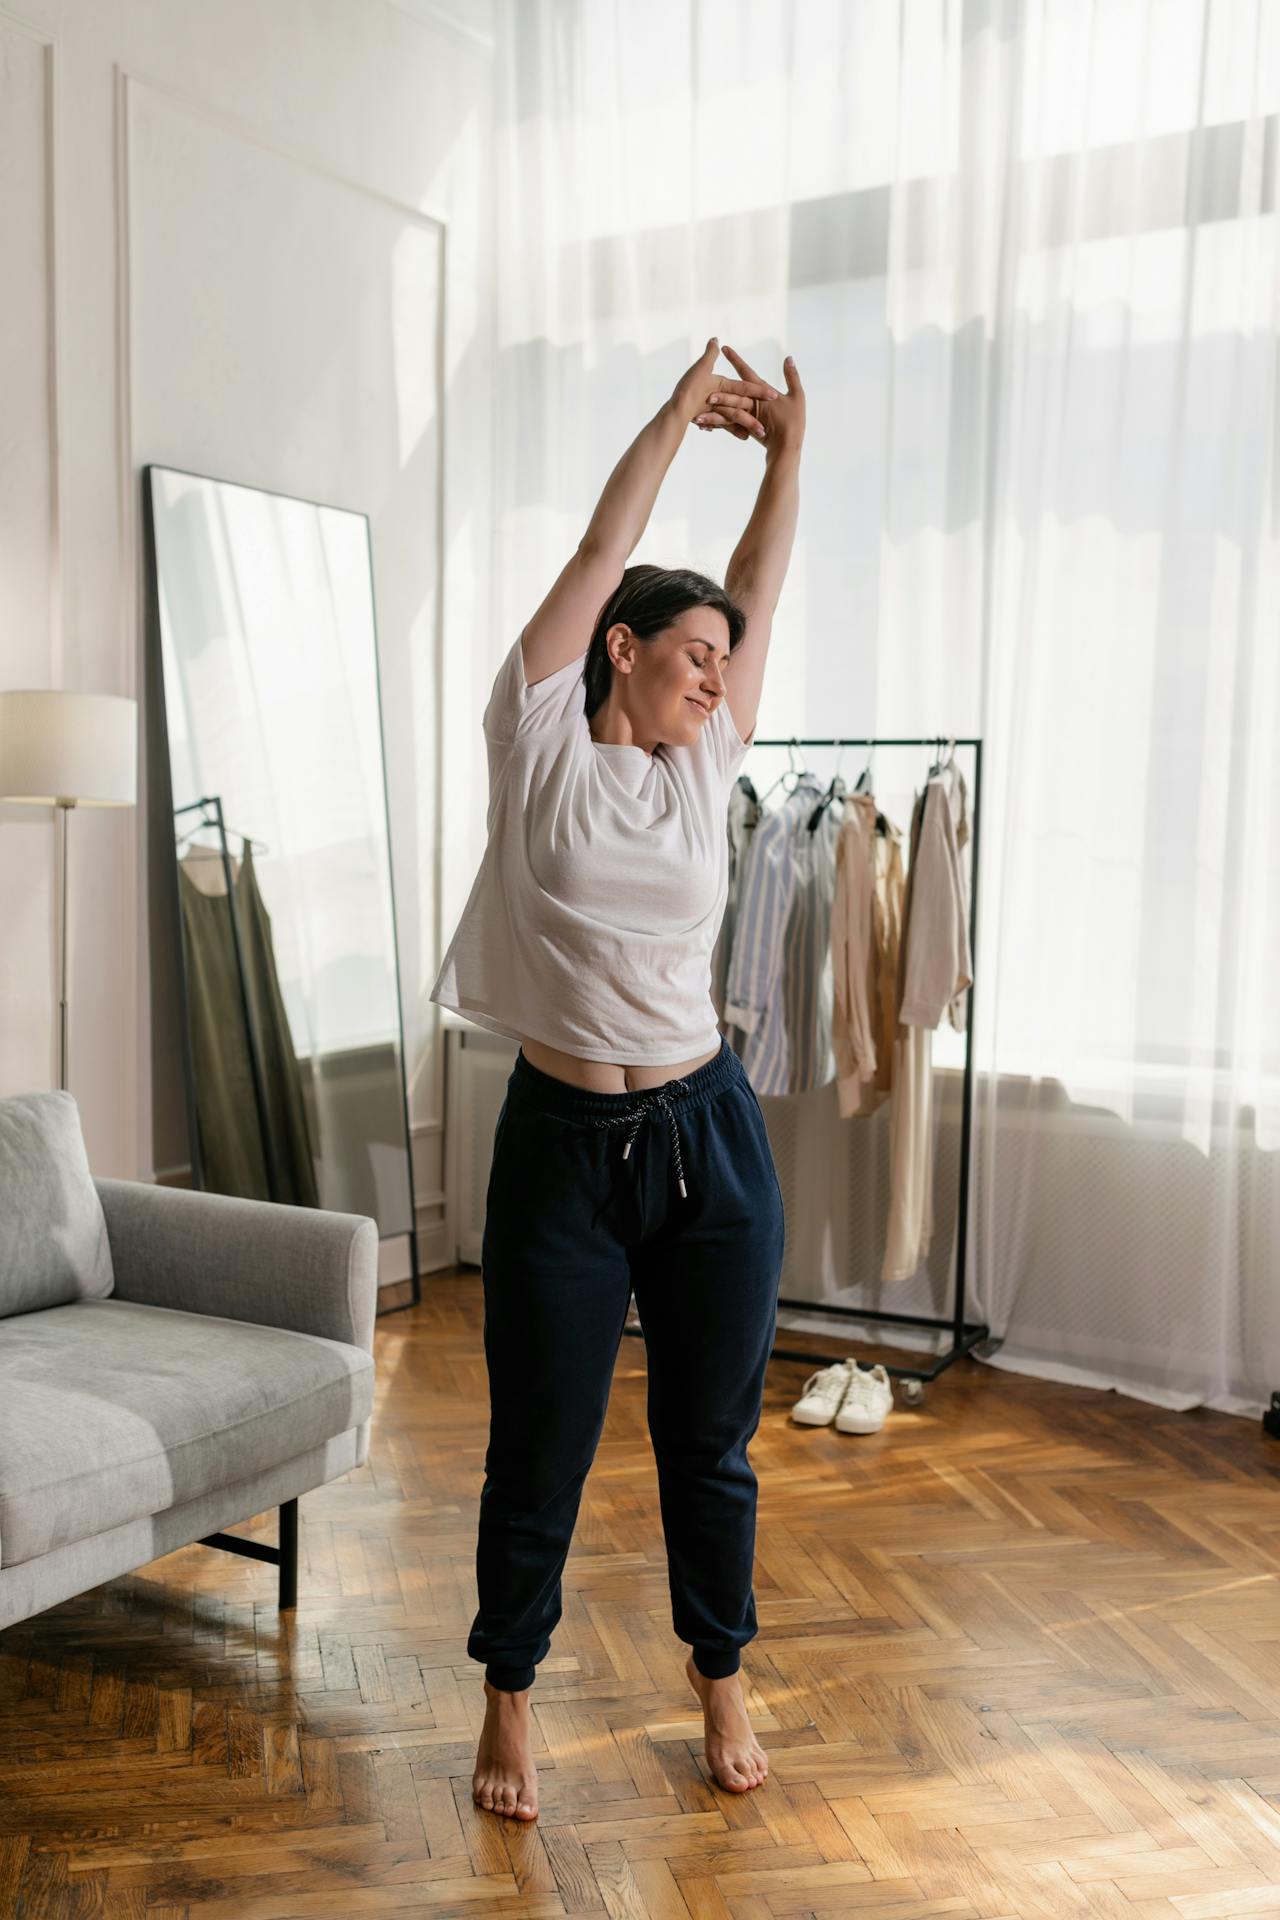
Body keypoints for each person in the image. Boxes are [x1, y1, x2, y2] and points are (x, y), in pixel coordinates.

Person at [429, 336, 806, 1821]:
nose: (720, 677)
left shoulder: (702, 771)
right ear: (621, 650)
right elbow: (607, 542)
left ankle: (719, 1671)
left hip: (707, 1135)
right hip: (565, 1147)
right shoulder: (535, 744)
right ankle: (507, 1700)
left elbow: (760, 588)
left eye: (727, 661)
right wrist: (673, 419)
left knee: (709, 1441)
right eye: (694, 654)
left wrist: (788, 457)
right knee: (541, 1443)